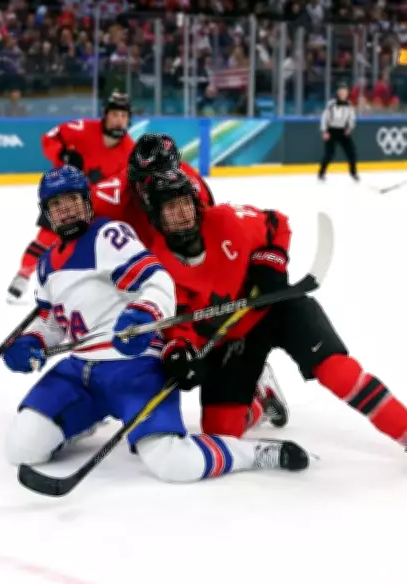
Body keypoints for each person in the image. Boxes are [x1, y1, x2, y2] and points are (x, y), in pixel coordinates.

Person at [1, 165, 310, 482]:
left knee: (174, 464)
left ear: (87, 202)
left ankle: (257, 453)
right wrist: (33, 341)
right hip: (80, 372)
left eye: (72, 200)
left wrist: (144, 314)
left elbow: (157, 281)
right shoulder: (46, 265)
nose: (65, 211)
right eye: (56, 204)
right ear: (46, 214)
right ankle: (87, 417)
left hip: (135, 367)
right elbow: (51, 321)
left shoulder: (108, 236)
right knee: (21, 448)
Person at [128, 167, 407, 448]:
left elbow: (276, 222)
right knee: (220, 432)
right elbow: (179, 322)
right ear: (155, 216)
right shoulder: (157, 267)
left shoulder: (226, 220)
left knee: (338, 372)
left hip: (277, 308)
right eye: (171, 207)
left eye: (186, 203)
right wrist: (181, 353)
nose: (183, 213)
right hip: (234, 338)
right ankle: (263, 398)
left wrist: (269, 260)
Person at [126, 134, 290, 432]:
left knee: (212, 335)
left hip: (191, 276)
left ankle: (256, 382)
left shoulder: (191, 188)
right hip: (156, 269)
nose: (147, 186)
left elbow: (211, 239)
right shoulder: (136, 191)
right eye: (142, 179)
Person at [6, 91, 134, 302]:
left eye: (123, 116)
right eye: (115, 115)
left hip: (96, 205)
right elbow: (50, 138)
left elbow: (124, 185)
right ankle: (23, 275)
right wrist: (62, 155)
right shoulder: (82, 129)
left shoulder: (129, 151)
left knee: (91, 248)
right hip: (63, 194)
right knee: (46, 238)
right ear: (105, 114)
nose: (119, 121)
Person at [318, 82, 358, 182]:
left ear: (347, 93)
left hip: (343, 131)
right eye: (341, 91)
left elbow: (352, 119)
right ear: (338, 92)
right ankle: (321, 173)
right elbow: (324, 118)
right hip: (331, 130)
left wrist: (349, 128)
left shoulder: (349, 105)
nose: (343, 93)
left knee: (352, 152)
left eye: (344, 91)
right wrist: (324, 131)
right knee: (329, 154)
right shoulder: (331, 104)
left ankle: (353, 173)